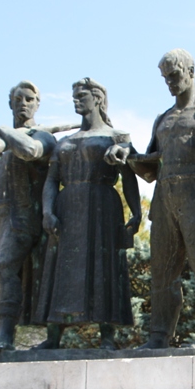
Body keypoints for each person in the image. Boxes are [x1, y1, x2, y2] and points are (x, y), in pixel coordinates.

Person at [115, 49, 195, 348]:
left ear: (191, 70)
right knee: (162, 272)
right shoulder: (163, 119)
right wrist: (128, 155)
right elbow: (151, 167)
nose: (170, 82)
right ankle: (159, 335)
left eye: (174, 75)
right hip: (164, 202)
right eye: (165, 78)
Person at [33, 78, 142, 350]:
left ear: (98, 99)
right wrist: (47, 211)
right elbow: (51, 180)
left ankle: (107, 335)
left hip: (103, 206)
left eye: (81, 96)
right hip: (67, 207)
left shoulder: (117, 137)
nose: (76, 100)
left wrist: (137, 212)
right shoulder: (64, 142)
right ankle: (53, 335)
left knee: (103, 266)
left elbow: (129, 177)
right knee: (60, 269)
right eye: (74, 96)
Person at [0, 82, 57, 352]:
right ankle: (3, 333)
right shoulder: (4, 148)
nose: (24, 103)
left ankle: (6, 336)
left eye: (30, 99)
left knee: (6, 266)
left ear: (38, 104)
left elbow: (31, 151)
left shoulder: (43, 136)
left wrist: (5, 131)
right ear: (10, 103)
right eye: (18, 98)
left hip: (26, 216)